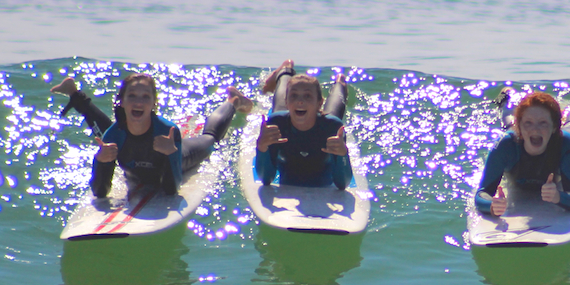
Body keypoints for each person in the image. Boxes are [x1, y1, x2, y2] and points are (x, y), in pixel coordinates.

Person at [52, 74, 252, 198]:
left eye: (145, 97)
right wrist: (101, 161)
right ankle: (76, 96)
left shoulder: (167, 132)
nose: (138, 102)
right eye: (132, 96)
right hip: (130, 156)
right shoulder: (114, 134)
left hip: (179, 159)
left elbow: (171, 190)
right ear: (121, 101)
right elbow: (100, 193)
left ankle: (233, 101)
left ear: (154, 104)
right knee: (108, 132)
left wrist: (171, 154)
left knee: (210, 140)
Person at [475, 85, 570, 215]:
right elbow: (481, 194)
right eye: (528, 123)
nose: (535, 130)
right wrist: (492, 204)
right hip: (516, 133)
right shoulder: (505, 145)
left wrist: (558, 196)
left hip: (562, 137)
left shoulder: (566, 145)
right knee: (508, 119)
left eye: (543, 123)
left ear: (554, 127)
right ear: (519, 127)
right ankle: (508, 94)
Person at [254, 60, 353, 189]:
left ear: (319, 103)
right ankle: (285, 69)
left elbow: (342, 184)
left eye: (307, 96)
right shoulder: (277, 124)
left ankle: (340, 82)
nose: (300, 101)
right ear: (287, 102)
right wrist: (261, 147)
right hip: (287, 168)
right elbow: (266, 179)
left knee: (334, 112)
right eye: (293, 96)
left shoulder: (332, 128)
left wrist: (342, 154)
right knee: (278, 105)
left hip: (323, 129)